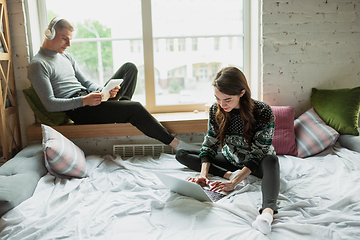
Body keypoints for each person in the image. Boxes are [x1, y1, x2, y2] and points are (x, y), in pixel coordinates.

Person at [27, 17, 197, 151]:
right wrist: (84, 101)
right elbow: (49, 104)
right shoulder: (38, 64)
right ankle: (176, 145)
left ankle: (121, 107)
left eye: (70, 39)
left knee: (129, 68)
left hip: (89, 99)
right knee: (135, 107)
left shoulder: (66, 56)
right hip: (79, 110)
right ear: (49, 34)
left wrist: (102, 91)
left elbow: (86, 82)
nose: (69, 44)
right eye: (65, 39)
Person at [176, 66, 280, 235]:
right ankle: (227, 173)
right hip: (230, 159)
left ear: (242, 93)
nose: (222, 104)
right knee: (182, 153)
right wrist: (203, 174)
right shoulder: (215, 110)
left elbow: (258, 153)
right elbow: (209, 145)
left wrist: (235, 182)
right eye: (217, 98)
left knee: (272, 160)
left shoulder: (263, 111)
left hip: (257, 163)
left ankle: (267, 214)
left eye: (227, 100)